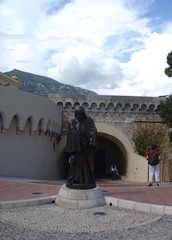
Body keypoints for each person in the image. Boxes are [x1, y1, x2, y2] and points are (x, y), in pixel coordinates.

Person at [66, 105, 97, 189]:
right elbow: (72, 133)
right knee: (73, 161)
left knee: (87, 164)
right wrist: (80, 139)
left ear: (83, 114)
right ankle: (72, 179)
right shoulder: (72, 122)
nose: (79, 116)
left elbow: (93, 131)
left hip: (86, 147)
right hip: (76, 147)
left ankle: (86, 180)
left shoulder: (89, 121)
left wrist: (88, 141)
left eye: (81, 114)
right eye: (77, 114)